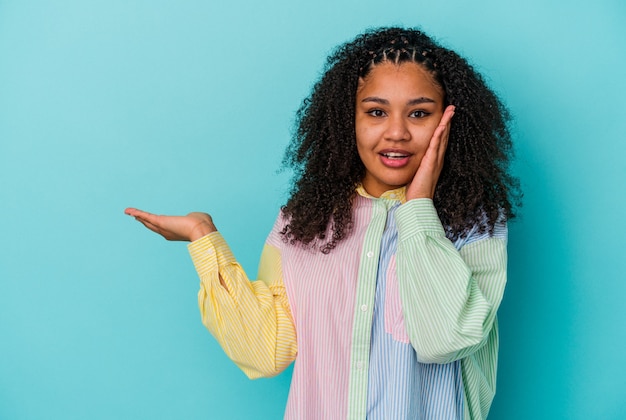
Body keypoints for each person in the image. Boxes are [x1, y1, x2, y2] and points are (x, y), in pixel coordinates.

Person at [125, 26, 520, 420]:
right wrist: (203, 237)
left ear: (449, 121)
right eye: (376, 112)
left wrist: (418, 208)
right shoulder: (303, 222)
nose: (396, 133)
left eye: (419, 113)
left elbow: (445, 339)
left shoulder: (476, 223)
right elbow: (264, 351)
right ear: (347, 120)